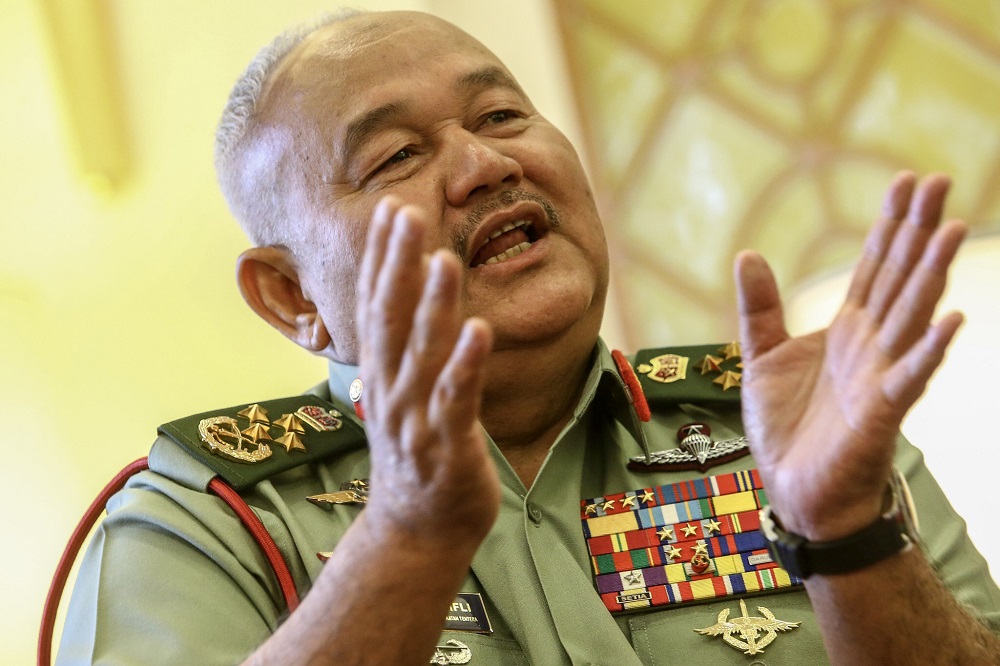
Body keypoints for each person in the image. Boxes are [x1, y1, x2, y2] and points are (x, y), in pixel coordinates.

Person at [56, 8, 1000, 665]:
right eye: (395, 157)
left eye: (502, 115)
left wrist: (845, 539)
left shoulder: (794, 431)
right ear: (292, 294)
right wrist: (408, 539)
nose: (482, 163)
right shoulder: (206, 518)